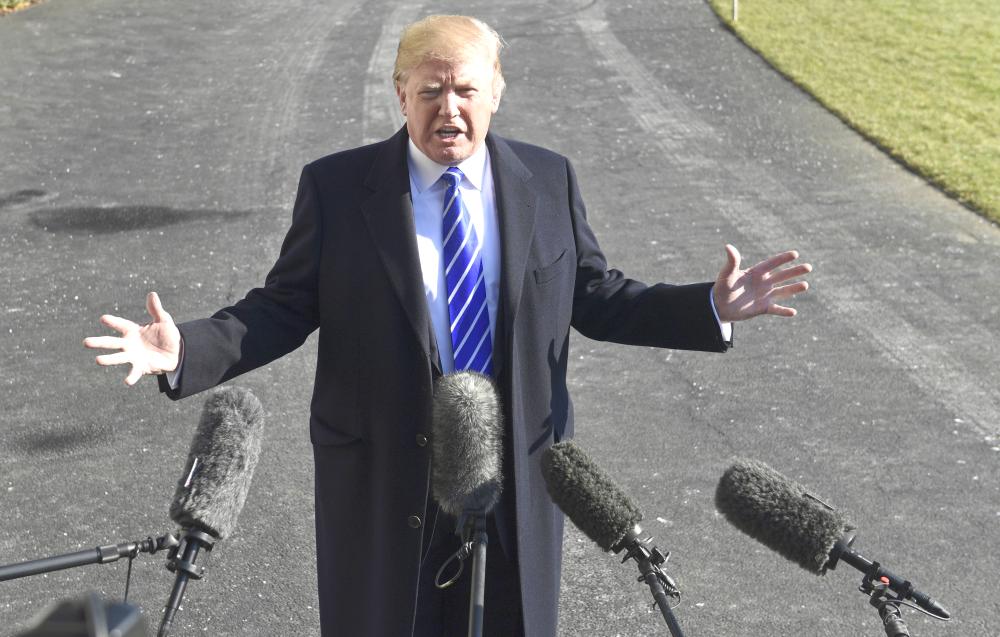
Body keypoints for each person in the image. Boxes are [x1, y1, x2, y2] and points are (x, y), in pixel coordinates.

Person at [84, 14, 811, 637]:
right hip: (383, 481)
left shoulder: (547, 178)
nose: (449, 108)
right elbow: (283, 306)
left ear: (496, 89)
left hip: (516, 483)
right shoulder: (338, 189)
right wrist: (187, 347)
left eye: (465, 88)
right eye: (429, 90)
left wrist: (709, 307)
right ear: (400, 93)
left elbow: (594, 295)